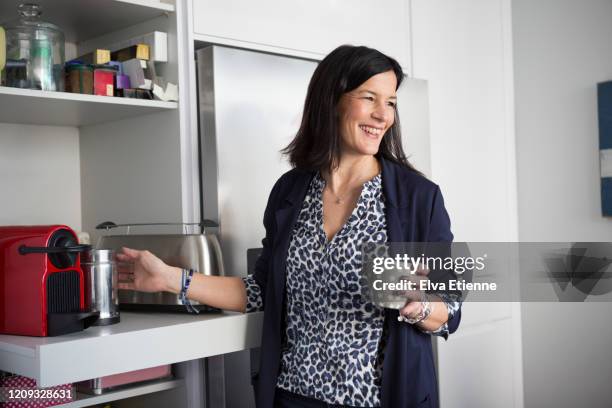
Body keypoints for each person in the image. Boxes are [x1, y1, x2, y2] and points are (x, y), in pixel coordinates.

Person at [117, 45, 461, 408]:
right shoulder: (290, 191)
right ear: (331, 100)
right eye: (369, 97)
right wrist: (172, 280)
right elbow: (264, 290)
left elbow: (450, 308)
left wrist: (420, 304)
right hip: (292, 396)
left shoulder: (419, 198)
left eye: (390, 102)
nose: (383, 115)